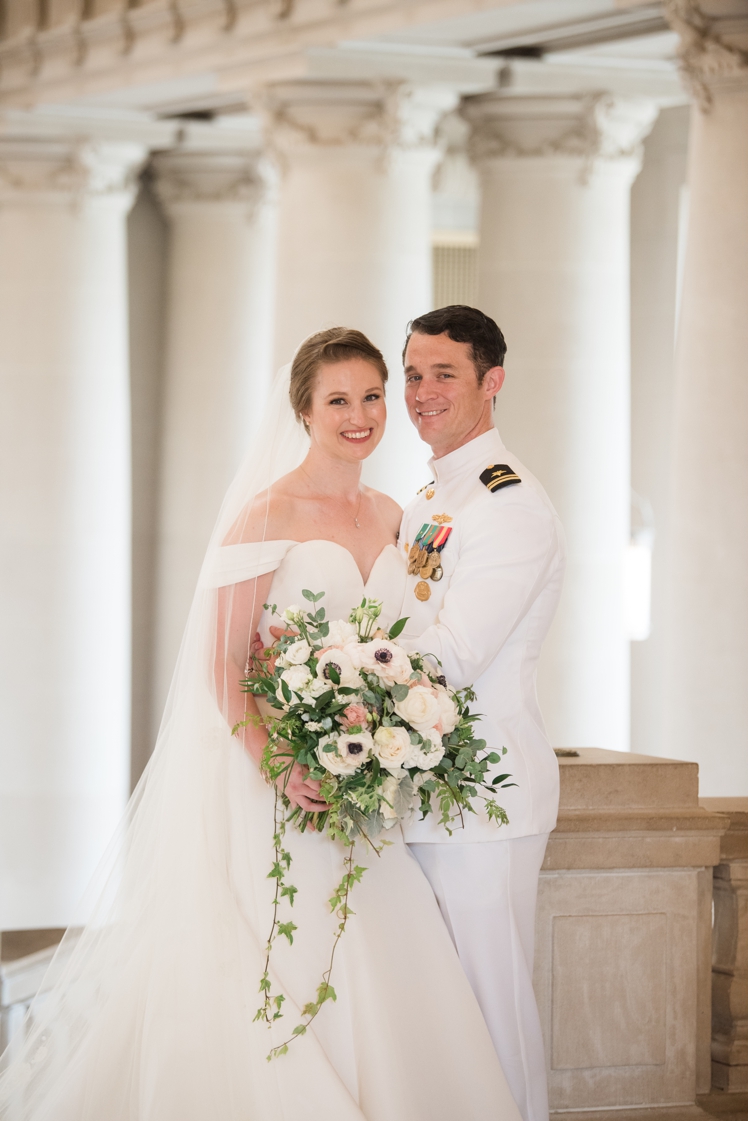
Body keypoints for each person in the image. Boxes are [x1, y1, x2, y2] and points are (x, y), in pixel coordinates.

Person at [0, 328, 520, 1118]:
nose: (359, 415)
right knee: (287, 955)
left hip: (364, 777)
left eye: (372, 396)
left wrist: (389, 732)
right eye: (337, 400)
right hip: (274, 779)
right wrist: (283, 759)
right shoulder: (264, 514)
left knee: (384, 950)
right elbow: (222, 661)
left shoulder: (394, 514)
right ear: (305, 411)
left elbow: (404, 641)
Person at [396, 306, 565, 1121]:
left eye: (443, 374)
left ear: (491, 381)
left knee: (493, 1011)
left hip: (485, 795)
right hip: (420, 789)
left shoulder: (509, 502)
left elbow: (454, 652)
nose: (422, 392)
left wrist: (340, 679)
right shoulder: (436, 493)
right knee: (440, 1017)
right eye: (413, 374)